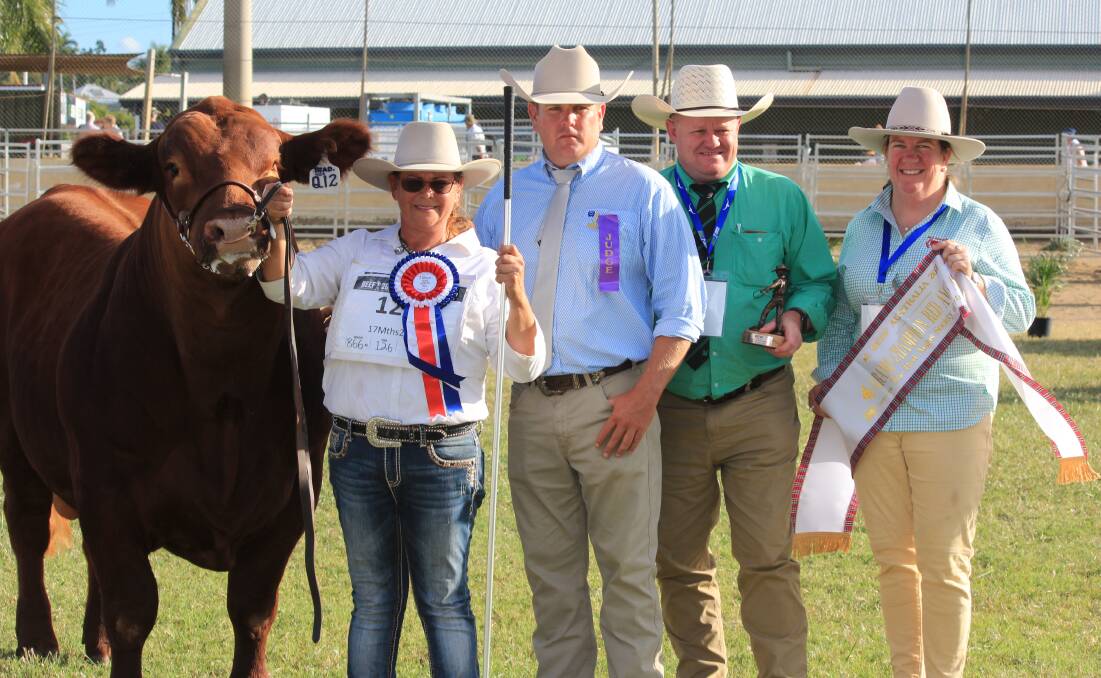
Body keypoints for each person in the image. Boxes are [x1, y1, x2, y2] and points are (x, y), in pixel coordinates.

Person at [258, 121, 547, 677]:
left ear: (459, 188)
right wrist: (274, 228)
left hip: (442, 456)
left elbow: (521, 365)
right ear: (393, 188)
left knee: (444, 602)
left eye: (440, 184)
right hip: (356, 452)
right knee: (372, 603)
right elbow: (285, 286)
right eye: (413, 184)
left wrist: (517, 296)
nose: (427, 196)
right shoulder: (358, 251)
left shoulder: (485, 266)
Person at [475, 45, 706, 677]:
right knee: (551, 581)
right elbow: (474, 298)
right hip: (531, 404)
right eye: (553, 110)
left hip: (616, 398)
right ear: (532, 114)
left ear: (601, 113)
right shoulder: (503, 198)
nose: (567, 122)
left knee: (629, 574)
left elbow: (682, 309)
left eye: (580, 108)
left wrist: (645, 397)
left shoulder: (642, 192)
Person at [810, 86, 1034, 678]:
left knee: (944, 564)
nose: (910, 157)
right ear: (885, 151)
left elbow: (1023, 312)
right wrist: (828, 382)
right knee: (893, 561)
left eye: (924, 147)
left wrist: (976, 281)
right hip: (873, 414)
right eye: (899, 144)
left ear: (946, 155)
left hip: (951, 412)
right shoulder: (862, 227)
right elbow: (840, 313)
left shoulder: (978, 225)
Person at [632, 63, 836, 678]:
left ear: (739, 128)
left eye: (724, 128)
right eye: (698, 129)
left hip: (759, 402)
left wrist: (798, 320)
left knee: (769, 556)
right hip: (672, 404)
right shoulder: (644, 198)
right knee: (679, 559)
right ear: (672, 129)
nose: (712, 140)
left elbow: (817, 280)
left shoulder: (782, 197)